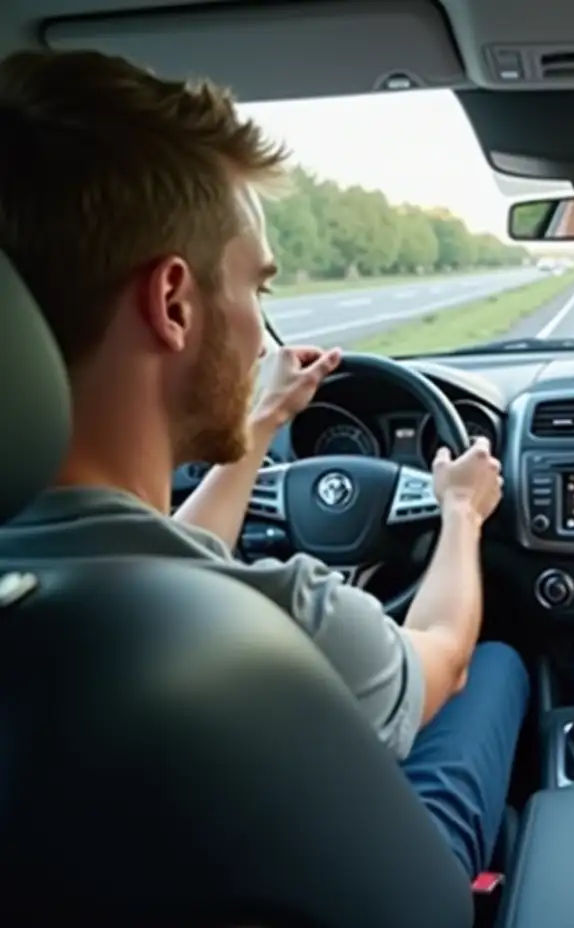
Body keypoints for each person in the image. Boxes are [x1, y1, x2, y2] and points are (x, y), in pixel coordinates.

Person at [0, 48, 528, 879]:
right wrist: (460, 513)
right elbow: (442, 654)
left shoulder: (41, 582)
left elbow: (155, 550)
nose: (258, 333)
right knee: (497, 667)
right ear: (173, 303)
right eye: (260, 291)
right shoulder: (275, 626)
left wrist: (260, 422)